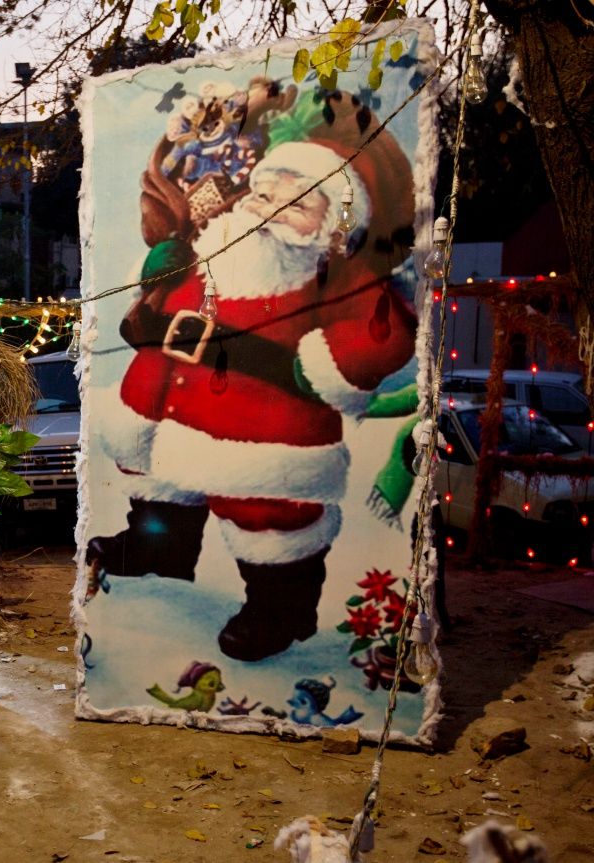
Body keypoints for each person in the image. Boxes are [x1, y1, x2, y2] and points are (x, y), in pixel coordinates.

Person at [86, 90, 417, 662]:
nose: (268, 206)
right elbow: (166, 299)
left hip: (266, 429)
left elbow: (381, 336)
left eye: (296, 201)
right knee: (159, 474)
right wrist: (155, 299)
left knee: (267, 513)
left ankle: (281, 606)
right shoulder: (216, 247)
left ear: (334, 224)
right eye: (265, 190)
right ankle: (160, 546)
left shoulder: (336, 277)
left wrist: (314, 365)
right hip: (173, 403)